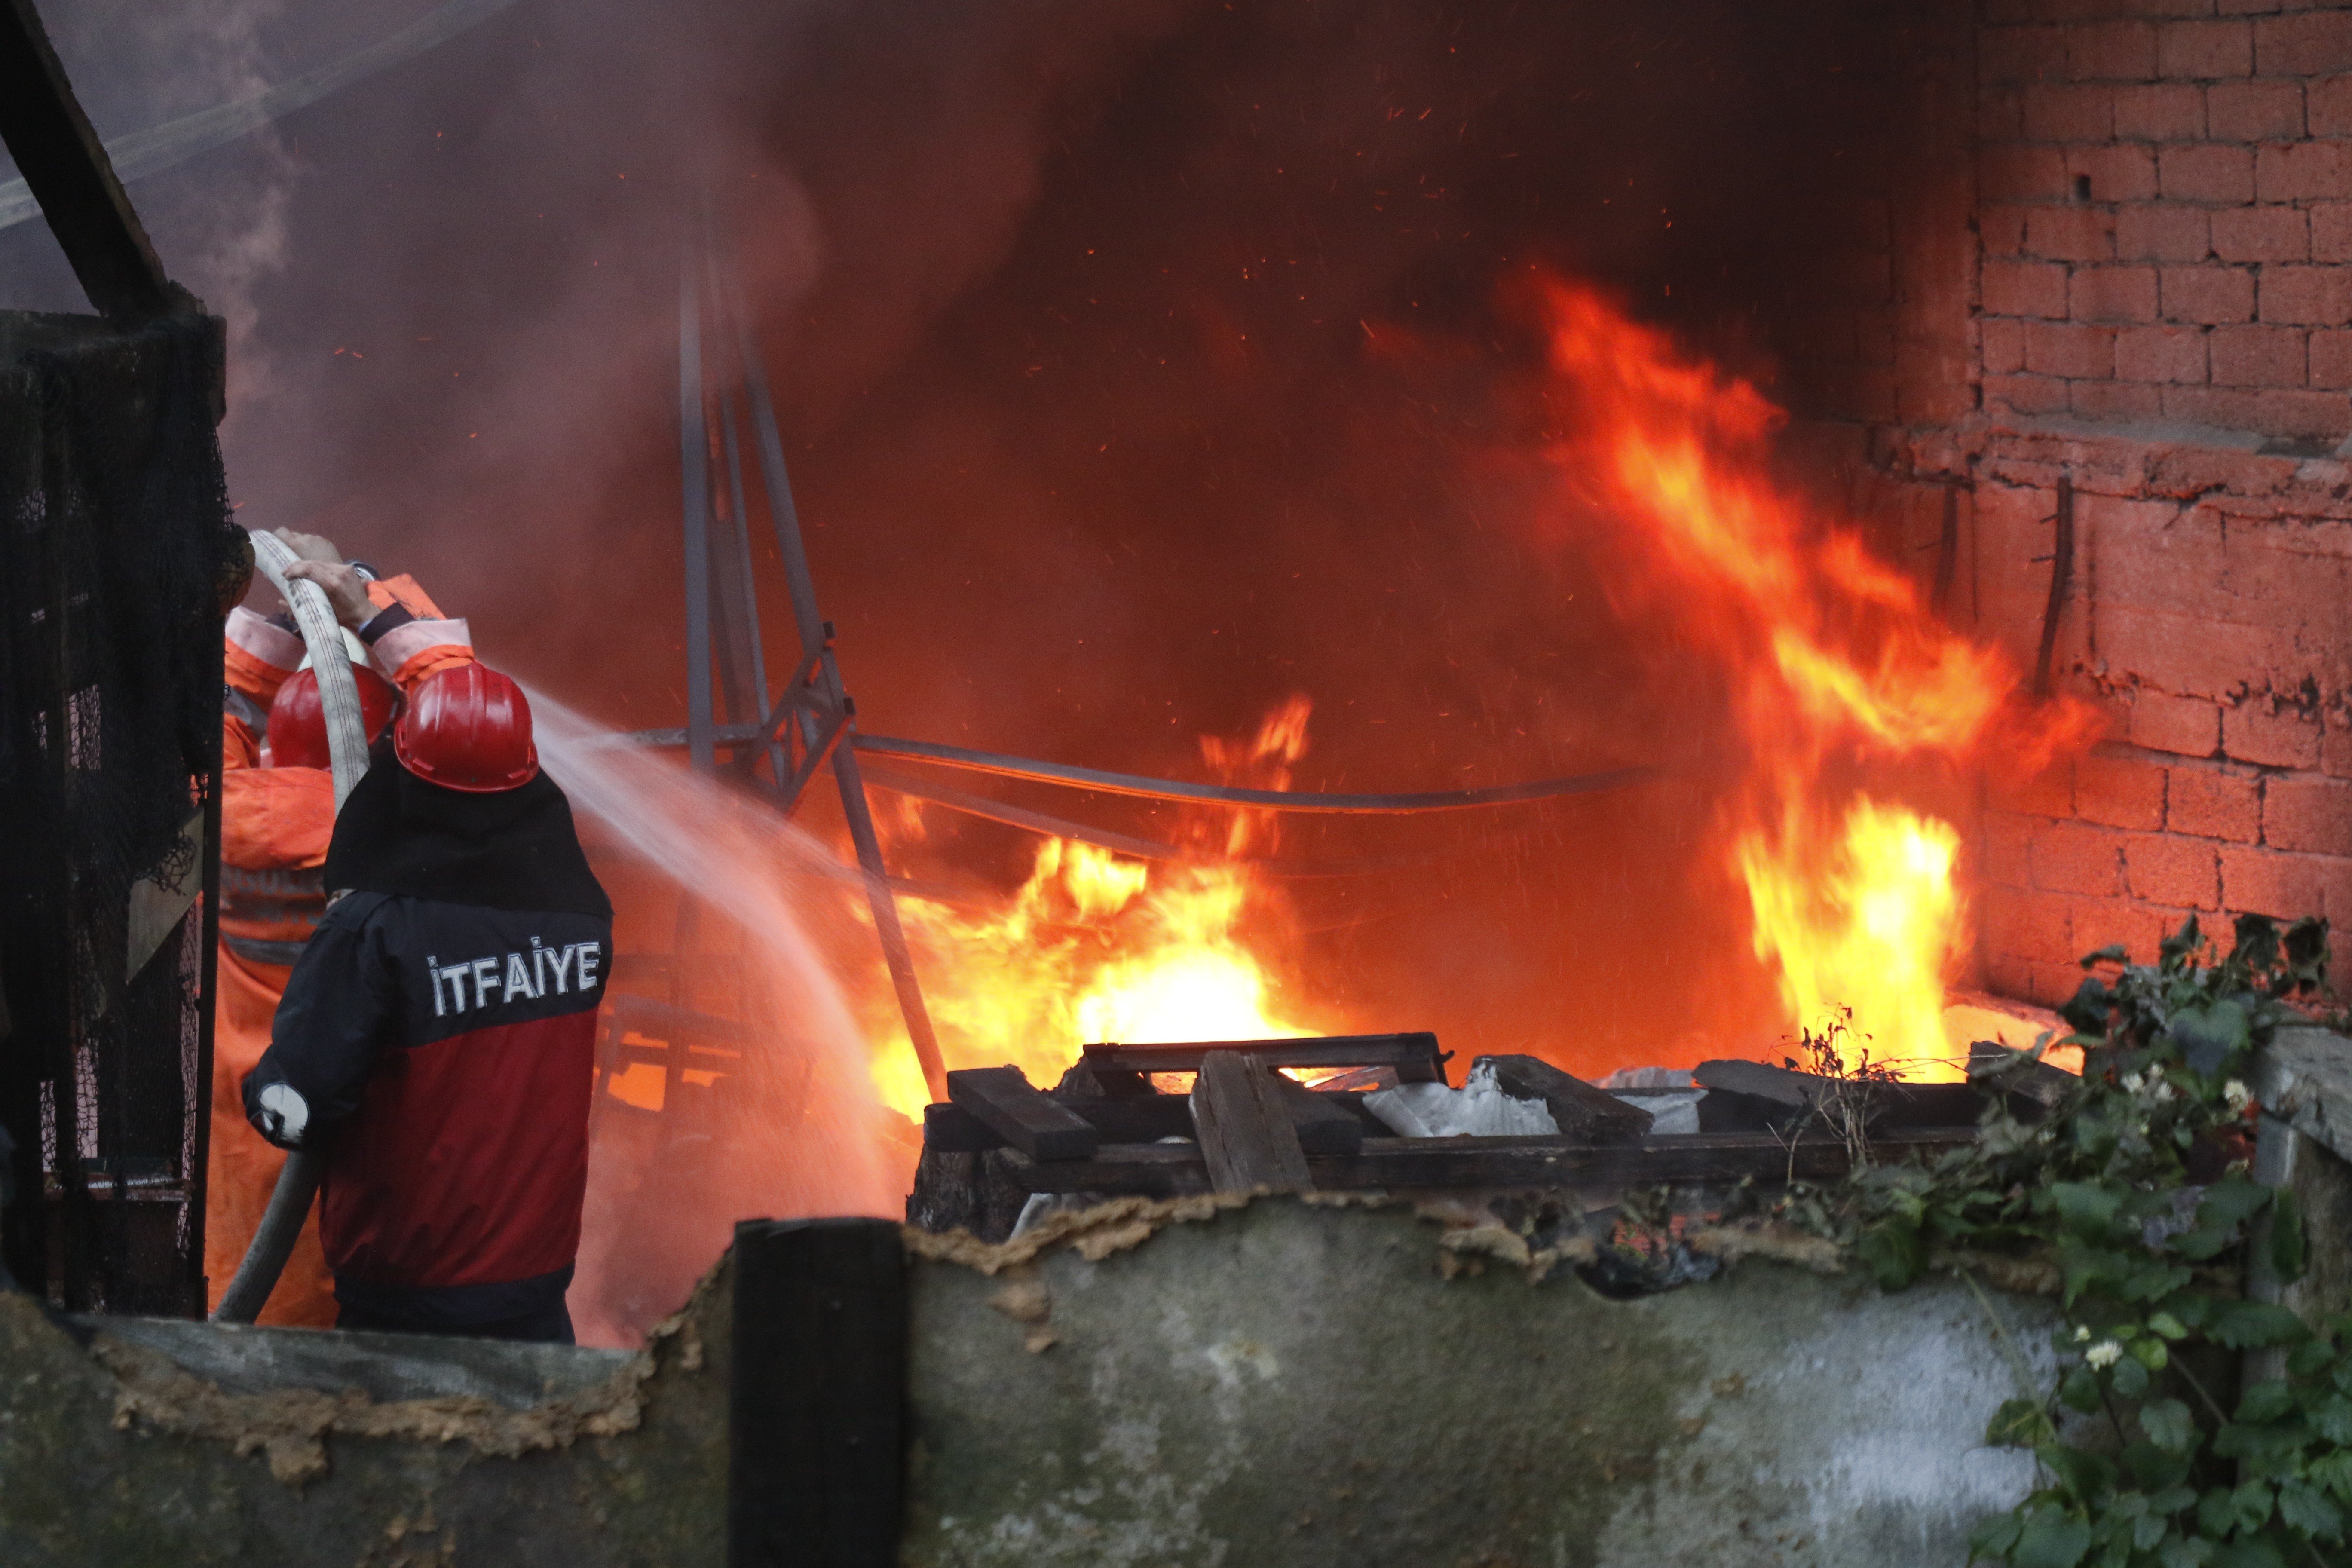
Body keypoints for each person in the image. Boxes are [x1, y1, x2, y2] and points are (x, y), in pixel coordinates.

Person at [242, 652, 613, 1343]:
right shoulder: (585, 919)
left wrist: (265, 1092)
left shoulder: (376, 929)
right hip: (536, 1287)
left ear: (402, 772)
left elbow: (295, 1110)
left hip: (404, 1299)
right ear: (528, 775)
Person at [209, 530, 475, 1324]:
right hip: (378, 1142)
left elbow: (211, 708)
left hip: (247, 1139)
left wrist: (288, 623)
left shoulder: (226, 806)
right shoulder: (397, 823)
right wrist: (376, 615)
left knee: (253, 1333)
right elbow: (471, 723)